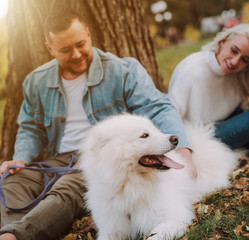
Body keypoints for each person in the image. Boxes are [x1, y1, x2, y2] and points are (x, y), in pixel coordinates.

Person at [0, 9, 193, 240]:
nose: (76, 54)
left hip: (100, 159)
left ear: (89, 34)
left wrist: (183, 148)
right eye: (65, 49)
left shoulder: (123, 70)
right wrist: (21, 158)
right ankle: (11, 230)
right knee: (12, 181)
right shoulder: (36, 81)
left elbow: (157, 107)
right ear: (50, 49)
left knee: (66, 190)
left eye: (81, 44)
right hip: (57, 160)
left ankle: (17, 236)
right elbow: (30, 127)